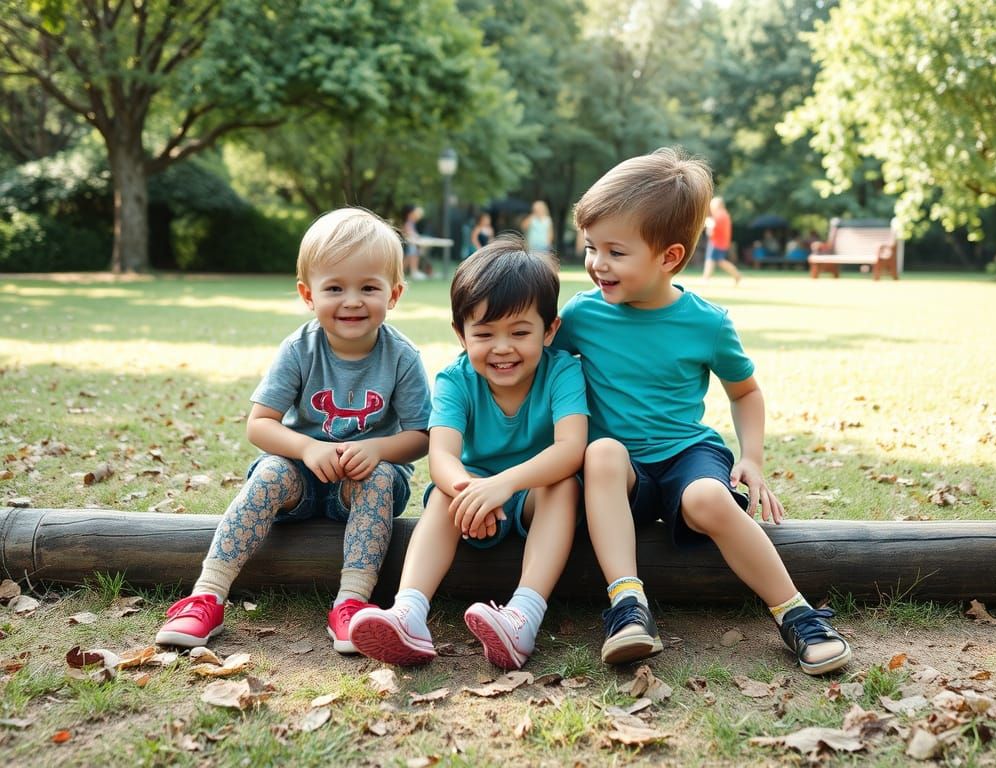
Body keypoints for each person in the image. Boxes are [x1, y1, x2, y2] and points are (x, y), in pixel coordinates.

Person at [553, 147, 851, 676]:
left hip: (686, 454)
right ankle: (628, 606)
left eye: (615, 252)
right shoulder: (581, 314)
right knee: (600, 452)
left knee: (710, 496)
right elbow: (540, 372)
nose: (597, 263)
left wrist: (752, 458)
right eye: (591, 247)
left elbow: (745, 392)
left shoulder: (706, 324)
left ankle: (795, 612)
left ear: (668, 257)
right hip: (619, 473)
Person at [155, 208, 432, 654]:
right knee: (268, 475)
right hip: (299, 478)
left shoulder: (401, 356)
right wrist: (305, 448)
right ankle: (206, 595)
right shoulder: (299, 349)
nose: (352, 301)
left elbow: (422, 436)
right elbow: (259, 424)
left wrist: (378, 448)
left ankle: (351, 605)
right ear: (308, 294)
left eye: (369, 287)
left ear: (394, 294)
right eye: (335, 288)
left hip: (360, 486)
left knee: (380, 478)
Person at [350, 235, 588, 670]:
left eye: (520, 332)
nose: (502, 348)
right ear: (461, 333)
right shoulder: (455, 380)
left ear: (549, 329)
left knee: (564, 487)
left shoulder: (562, 371)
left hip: (532, 494)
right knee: (442, 495)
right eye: (484, 333)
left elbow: (571, 449)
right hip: (472, 495)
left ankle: (523, 617)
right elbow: (441, 456)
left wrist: (504, 485)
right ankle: (409, 612)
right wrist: (471, 494)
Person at [702, 196, 743, 285]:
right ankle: (736, 275)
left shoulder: (719, 215)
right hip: (722, 242)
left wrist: (707, 223)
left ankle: (706, 278)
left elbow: (711, 228)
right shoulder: (725, 214)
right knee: (717, 260)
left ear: (717, 205)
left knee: (713, 260)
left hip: (716, 242)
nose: (711, 207)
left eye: (712, 205)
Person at [402, 204, 428, 280]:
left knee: (412, 256)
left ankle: (413, 271)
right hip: (410, 243)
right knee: (411, 256)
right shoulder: (408, 223)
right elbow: (409, 233)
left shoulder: (412, 223)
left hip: (413, 243)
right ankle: (413, 271)